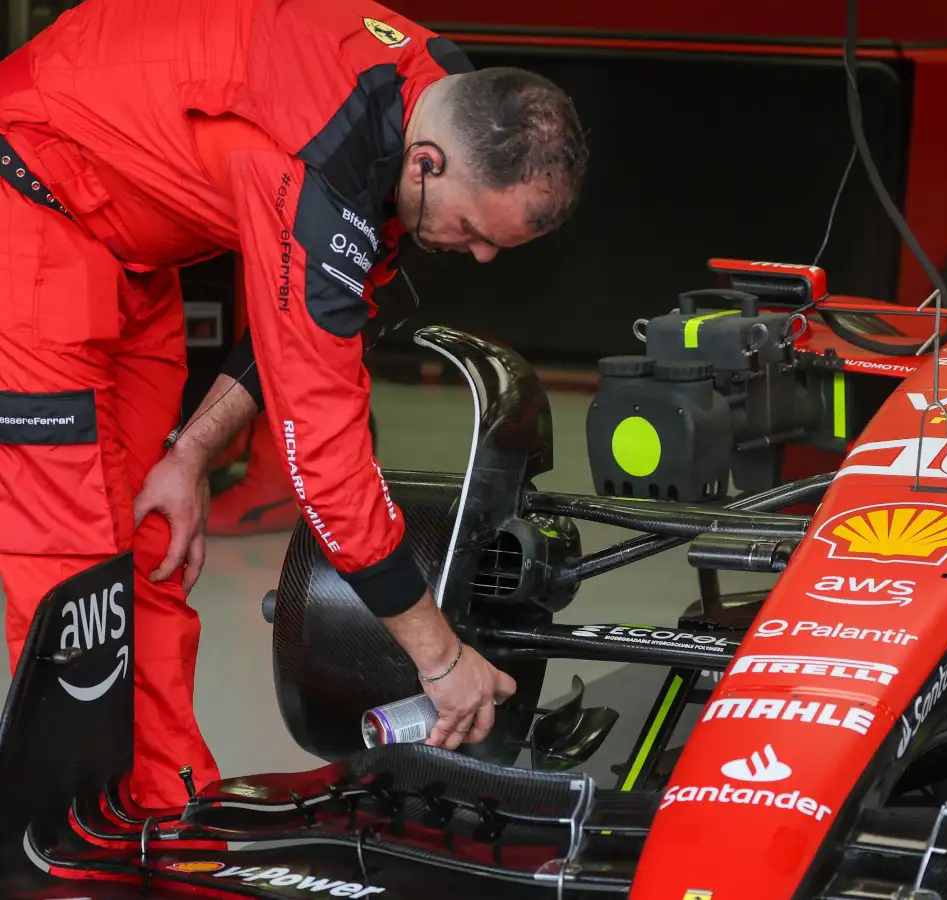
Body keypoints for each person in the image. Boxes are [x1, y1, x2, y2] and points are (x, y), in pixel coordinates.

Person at [0, 0, 588, 813]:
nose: (479, 255)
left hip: (134, 244)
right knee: (73, 569)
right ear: (427, 165)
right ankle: (64, 833)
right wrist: (440, 659)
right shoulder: (322, 164)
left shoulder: (442, 96)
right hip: (32, 205)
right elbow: (327, 460)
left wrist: (190, 454)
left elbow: (293, 320)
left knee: (153, 541)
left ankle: (165, 805)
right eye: (471, 229)